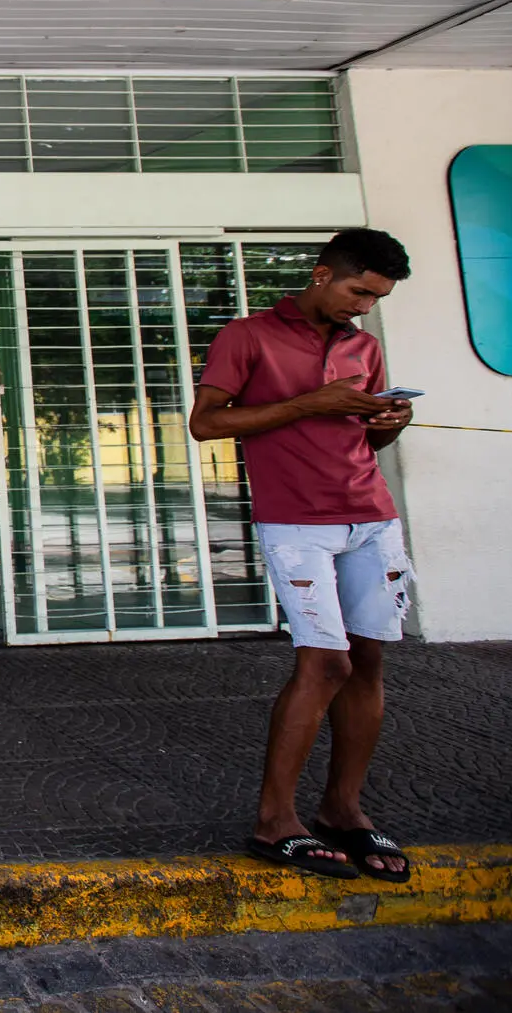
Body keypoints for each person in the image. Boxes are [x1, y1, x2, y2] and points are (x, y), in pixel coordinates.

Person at [189, 228, 416, 884]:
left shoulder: (363, 348)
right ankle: (274, 819)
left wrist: (386, 426)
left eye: (376, 298)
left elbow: (361, 442)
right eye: (358, 291)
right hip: (297, 524)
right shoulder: (246, 336)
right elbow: (206, 423)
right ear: (322, 273)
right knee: (325, 661)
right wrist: (309, 402)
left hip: (371, 517)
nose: (364, 307)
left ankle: (343, 808)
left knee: (368, 660)